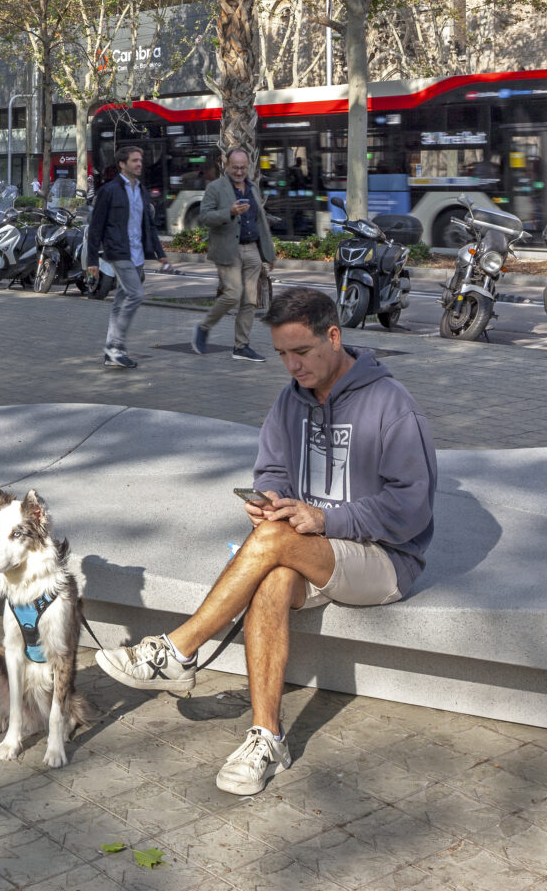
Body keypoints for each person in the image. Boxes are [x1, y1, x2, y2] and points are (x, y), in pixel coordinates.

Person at [95, 286, 437, 796]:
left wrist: (325, 519)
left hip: (383, 558)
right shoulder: (290, 401)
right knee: (272, 579)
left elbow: (411, 508)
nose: (292, 365)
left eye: (302, 351)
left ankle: (180, 650)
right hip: (305, 547)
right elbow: (272, 468)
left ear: (334, 336)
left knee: (274, 542)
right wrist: (270, 498)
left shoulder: (392, 404)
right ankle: (267, 738)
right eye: (281, 354)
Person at [85, 144, 169, 369]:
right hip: (119, 251)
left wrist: (160, 254)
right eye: (134, 160)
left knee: (121, 300)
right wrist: (92, 260)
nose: (139, 164)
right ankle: (115, 348)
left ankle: (112, 350)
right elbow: (95, 227)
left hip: (138, 254)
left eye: (140, 160)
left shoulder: (141, 190)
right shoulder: (109, 190)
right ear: (122, 164)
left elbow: (149, 225)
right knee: (135, 294)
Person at [196, 147, 278, 362]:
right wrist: (229, 212)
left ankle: (241, 347)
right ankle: (204, 327)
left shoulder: (252, 187)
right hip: (228, 249)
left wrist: (269, 253)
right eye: (235, 168)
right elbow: (204, 217)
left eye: (243, 167)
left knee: (250, 300)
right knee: (233, 294)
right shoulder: (215, 187)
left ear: (248, 166)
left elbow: (261, 221)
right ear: (226, 165)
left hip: (252, 249)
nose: (239, 172)